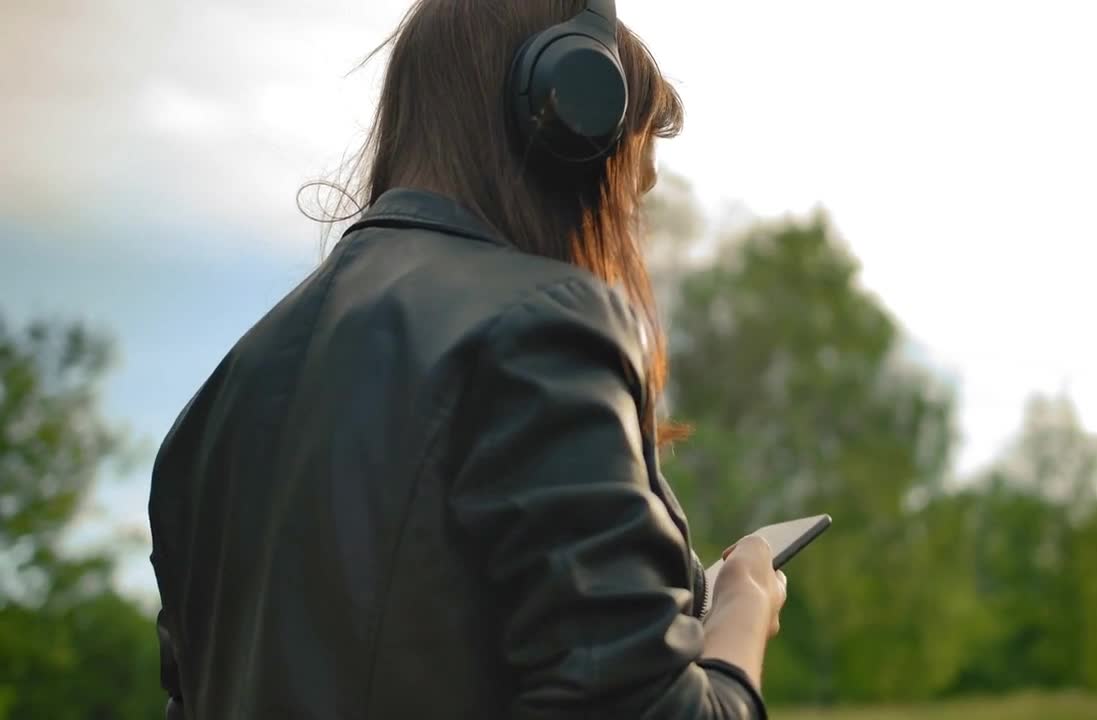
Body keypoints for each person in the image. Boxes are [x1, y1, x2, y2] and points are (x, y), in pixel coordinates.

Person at [148, 0, 786, 717]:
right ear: (568, 124)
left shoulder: (211, 409)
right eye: (630, 197)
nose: (629, 235)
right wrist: (740, 613)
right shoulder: (539, 330)